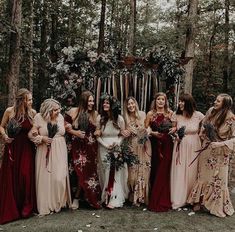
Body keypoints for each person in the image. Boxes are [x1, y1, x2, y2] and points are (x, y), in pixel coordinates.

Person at [187, 93, 235, 217]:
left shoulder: (231, 118)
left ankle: (216, 205)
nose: (215, 102)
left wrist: (220, 144)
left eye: (218, 101)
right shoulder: (210, 111)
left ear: (224, 104)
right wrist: (202, 134)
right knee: (203, 176)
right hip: (207, 149)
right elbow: (204, 124)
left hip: (220, 152)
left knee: (218, 179)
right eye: (215, 100)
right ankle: (200, 201)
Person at [0, 88, 37, 224]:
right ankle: (13, 209)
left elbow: (36, 128)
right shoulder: (10, 111)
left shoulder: (32, 113)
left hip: (26, 148)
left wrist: (35, 133)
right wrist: (4, 136)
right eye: (29, 99)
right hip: (13, 147)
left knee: (25, 175)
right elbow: (1, 126)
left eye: (32, 99)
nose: (31, 102)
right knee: (12, 177)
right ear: (22, 100)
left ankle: (26, 208)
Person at [29, 99, 71, 216]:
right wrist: (42, 138)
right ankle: (47, 204)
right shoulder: (38, 117)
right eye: (55, 110)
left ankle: (59, 202)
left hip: (60, 150)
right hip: (44, 150)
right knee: (46, 178)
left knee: (59, 177)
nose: (58, 111)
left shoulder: (61, 117)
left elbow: (63, 129)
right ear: (48, 111)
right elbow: (31, 134)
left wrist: (68, 127)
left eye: (59, 109)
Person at [65, 91, 101, 209]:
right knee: (77, 172)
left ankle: (82, 198)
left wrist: (98, 131)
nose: (92, 103)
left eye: (92, 100)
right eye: (89, 101)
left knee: (87, 173)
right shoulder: (73, 112)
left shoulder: (95, 114)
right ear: (84, 101)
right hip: (76, 146)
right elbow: (65, 127)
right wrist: (75, 132)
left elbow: (99, 129)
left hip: (90, 147)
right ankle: (75, 197)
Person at [170, 93, 204, 209]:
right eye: (179, 101)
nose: (180, 103)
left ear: (188, 103)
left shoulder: (198, 115)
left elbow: (206, 126)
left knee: (192, 171)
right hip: (180, 145)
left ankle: (192, 198)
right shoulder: (176, 115)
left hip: (194, 145)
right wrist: (175, 133)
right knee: (179, 170)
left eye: (182, 101)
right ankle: (179, 198)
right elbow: (174, 129)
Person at [96, 94, 129, 209]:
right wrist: (105, 145)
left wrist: (117, 144)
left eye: (107, 103)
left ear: (113, 105)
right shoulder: (100, 118)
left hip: (116, 147)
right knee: (105, 171)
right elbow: (97, 135)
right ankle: (106, 196)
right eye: (104, 102)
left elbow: (123, 135)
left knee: (115, 172)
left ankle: (114, 198)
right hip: (103, 147)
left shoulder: (119, 119)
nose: (105, 104)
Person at [145, 92, 173, 212]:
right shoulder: (150, 114)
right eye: (158, 99)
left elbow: (174, 127)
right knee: (155, 170)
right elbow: (146, 127)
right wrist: (152, 133)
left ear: (165, 101)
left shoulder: (170, 113)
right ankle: (153, 197)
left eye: (163, 99)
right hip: (155, 144)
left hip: (167, 144)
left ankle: (163, 198)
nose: (161, 101)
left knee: (164, 171)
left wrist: (174, 129)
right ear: (155, 101)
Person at [123, 97, 151, 206]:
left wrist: (147, 131)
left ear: (135, 103)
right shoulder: (125, 118)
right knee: (133, 171)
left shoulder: (143, 114)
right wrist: (125, 132)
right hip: (132, 145)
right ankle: (133, 196)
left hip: (144, 144)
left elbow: (149, 128)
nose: (130, 106)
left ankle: (142, 197)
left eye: (132, 103)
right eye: (128, 104)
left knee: (144, 169)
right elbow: (123, 132)